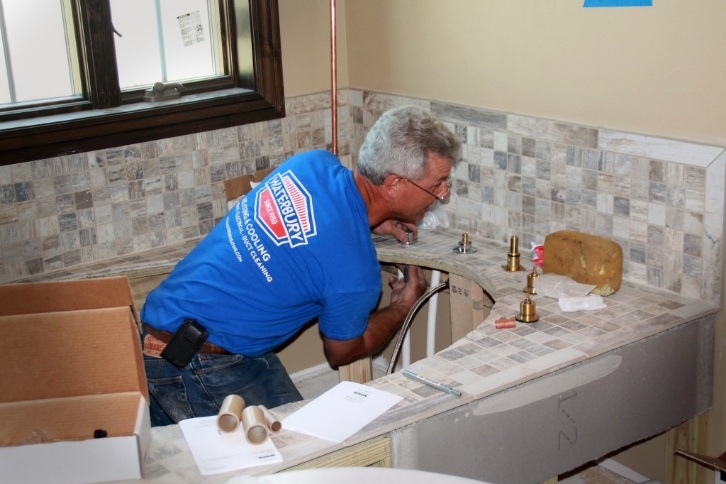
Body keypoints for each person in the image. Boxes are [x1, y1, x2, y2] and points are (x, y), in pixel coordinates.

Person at [140, 106, 462, 426]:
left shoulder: (311, 164)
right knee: (302, 457)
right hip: (201, 364)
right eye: (436, 185)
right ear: (393, 184)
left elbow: (315, 228)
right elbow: (343, 351)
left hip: (159, 327)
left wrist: (369, 222)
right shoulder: (355, 272)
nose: (442, 194)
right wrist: (404, 305)